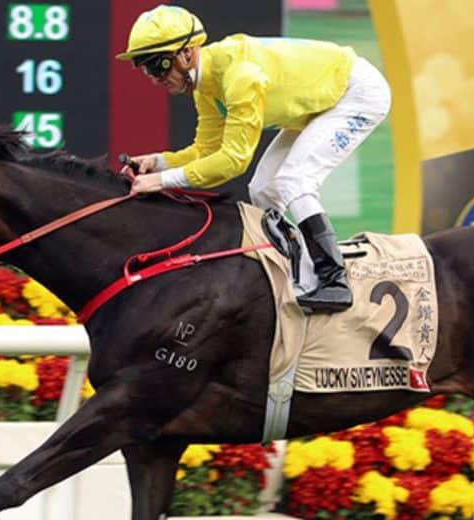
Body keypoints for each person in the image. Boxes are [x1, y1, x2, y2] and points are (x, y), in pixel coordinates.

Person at [115, 5, 391, 313]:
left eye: (158, 66)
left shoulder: (240, 77)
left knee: (293, 181)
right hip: (319, 103)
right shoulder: (206, 87)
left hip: (356, 94)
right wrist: (159, 163)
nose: (155, 79)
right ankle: (298, 277)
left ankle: (334, 282)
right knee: (263, 189)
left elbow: (233, 161)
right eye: (147, 69)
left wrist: (161, 181)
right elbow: (206, 151)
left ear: (187, 53)